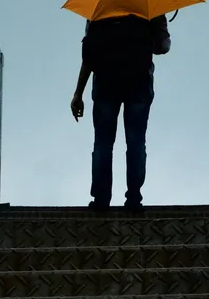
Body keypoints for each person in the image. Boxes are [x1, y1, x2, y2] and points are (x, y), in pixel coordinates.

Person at [70, 13, 171, 211]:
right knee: (135, 143)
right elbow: (162, 47)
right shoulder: (150, 6)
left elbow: (88, 55)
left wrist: (78, 93)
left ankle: (101, 200)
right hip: (139, 83)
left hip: (106, 84)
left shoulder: (101, 7)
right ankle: (134, 199)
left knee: (103, 144)